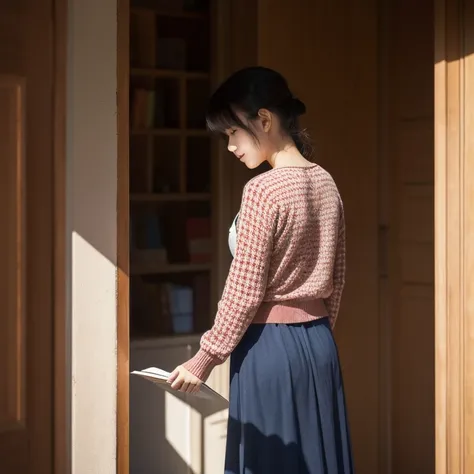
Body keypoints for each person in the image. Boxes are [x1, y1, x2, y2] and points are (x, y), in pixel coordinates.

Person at [168, 66, 354, 473]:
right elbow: (337, 279)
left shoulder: (262, 190)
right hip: (319, 345)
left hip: (267, 348)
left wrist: (204, 358)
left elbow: (244, 289)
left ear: (264, 119)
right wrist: (314, 334)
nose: (230, 146)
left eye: (233, 132)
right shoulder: (327, 183)